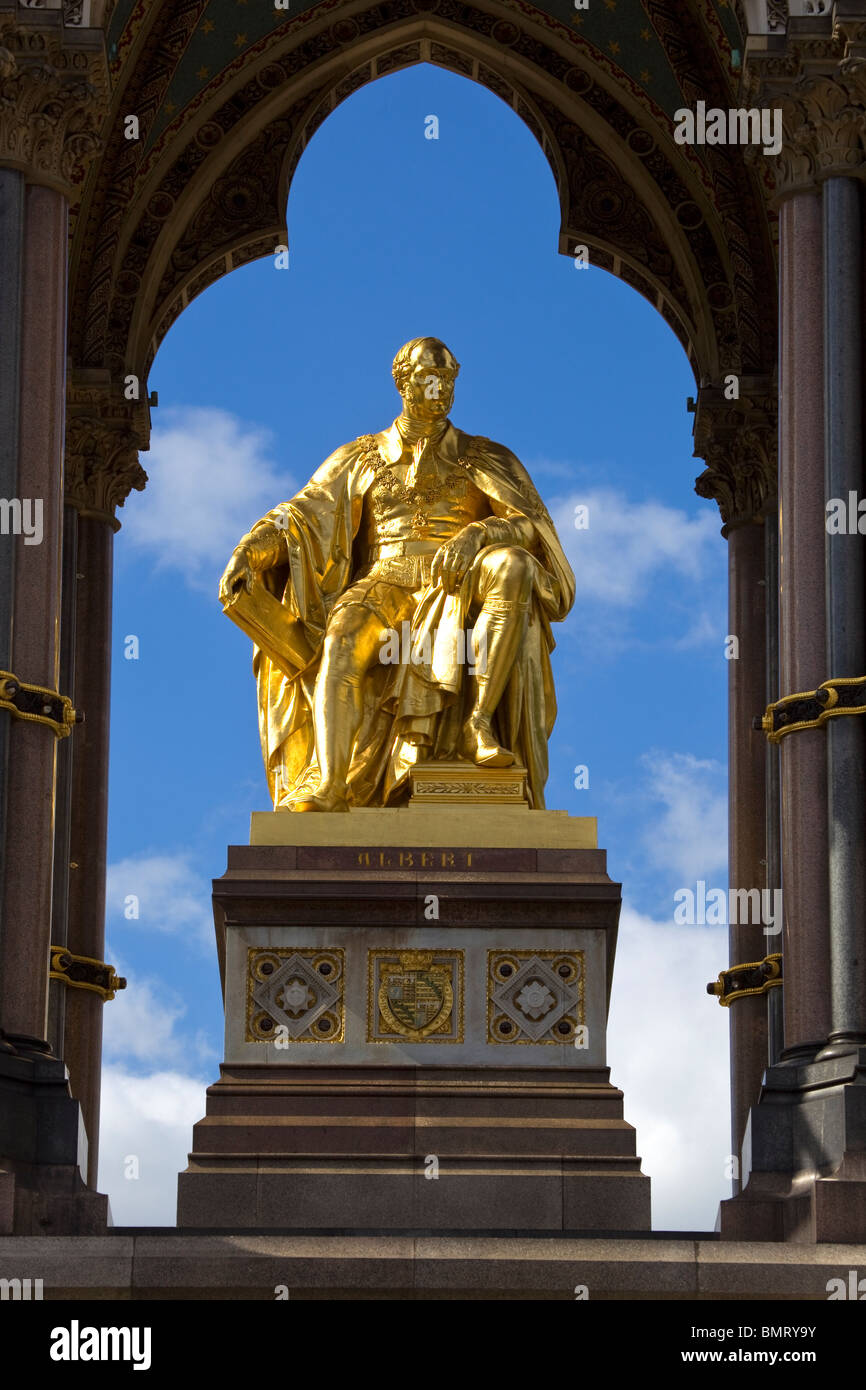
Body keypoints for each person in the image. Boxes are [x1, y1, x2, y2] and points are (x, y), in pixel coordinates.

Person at [218, 337, 574, 810]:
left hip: (459, 581)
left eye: (448, 378)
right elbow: (301, 516)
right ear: (403, 383)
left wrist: (481, 532)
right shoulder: (360, 456)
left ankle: (478, 722)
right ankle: (331, 782)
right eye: (429, 377)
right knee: (341, 642)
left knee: (513, 564)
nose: (441, 388)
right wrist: (250, 551)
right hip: (383, 581)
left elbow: (532, 526)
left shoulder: (486, 456)